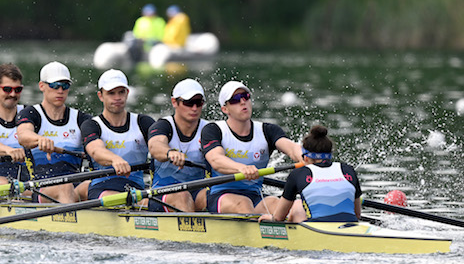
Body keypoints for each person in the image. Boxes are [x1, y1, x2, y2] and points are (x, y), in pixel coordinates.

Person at [201, 80, 304, 214]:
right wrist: (241, 168)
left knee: (284, 205)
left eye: (246, 97)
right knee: (243, 204)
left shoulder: (267, 130)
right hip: (220, 195)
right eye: (235, 99)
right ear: (225, 109)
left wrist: (305, 156)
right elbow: (216, 160)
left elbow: (291, 148)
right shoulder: (213, 130)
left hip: (255, 196)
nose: (242, 102)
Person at [17, 61, 91, 203]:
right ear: (42, 86)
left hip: (75, 186)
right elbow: (23, 135)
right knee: (65, 187)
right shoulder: (31, 113)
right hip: (41, 188)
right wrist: (40, 140)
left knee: (95, 185)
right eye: (55, 85)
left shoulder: (81, 118)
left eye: (65, 86)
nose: (60, 90)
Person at [259, 125, 362, 223]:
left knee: (297, 207)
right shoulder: (348, 170)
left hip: (316, 229)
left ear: (306, 158)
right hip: (351, 226)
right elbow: (357, 214)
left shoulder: (297, 174)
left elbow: (278, 217)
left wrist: (270, 218)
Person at [82, 69, 154, 200]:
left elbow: (159, 145)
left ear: (127, 93)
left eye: (121, 92)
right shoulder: (92, 125)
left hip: (136, 190)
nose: (117, 98)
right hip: (101, 190)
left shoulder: (143, 122)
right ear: (100, 96)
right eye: (111, 93)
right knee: (126, 200)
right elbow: (95, 151)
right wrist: (115, 159)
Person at [147, 78, 210, 212]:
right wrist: (169, 153)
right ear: (174, 102)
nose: (194, 108)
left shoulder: (208, 129)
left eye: (198, 103)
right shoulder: (163, 126)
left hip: (197, 191)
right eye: (189, 103)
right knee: (183, 196)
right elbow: (155, 146)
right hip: (163, 192)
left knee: (215, 196)